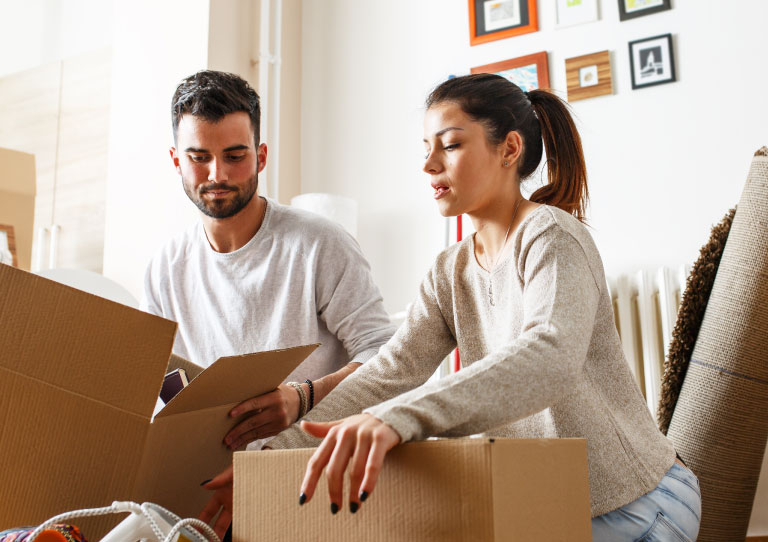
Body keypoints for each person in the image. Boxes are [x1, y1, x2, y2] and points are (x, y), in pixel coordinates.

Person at [202, 74, 702, 541]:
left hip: (640, 504)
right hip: (550, 504)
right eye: (426, 149)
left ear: (509, 149)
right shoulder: (450, 271)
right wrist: (265, 463)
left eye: (452, 145)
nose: (429, 165)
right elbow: (389, 373)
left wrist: (398, 418)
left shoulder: (550, 235)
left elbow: (550, 355)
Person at [142, 70, 395, 533]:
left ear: (260, 156)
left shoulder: (318, 244)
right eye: (199, 157)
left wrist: (303, 397)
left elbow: (390, 359)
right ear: (176, 159)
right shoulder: (165, 266)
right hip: (210, 492)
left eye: (234, 156)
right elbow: (157, 381)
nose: (217, 175)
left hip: (311, 482)